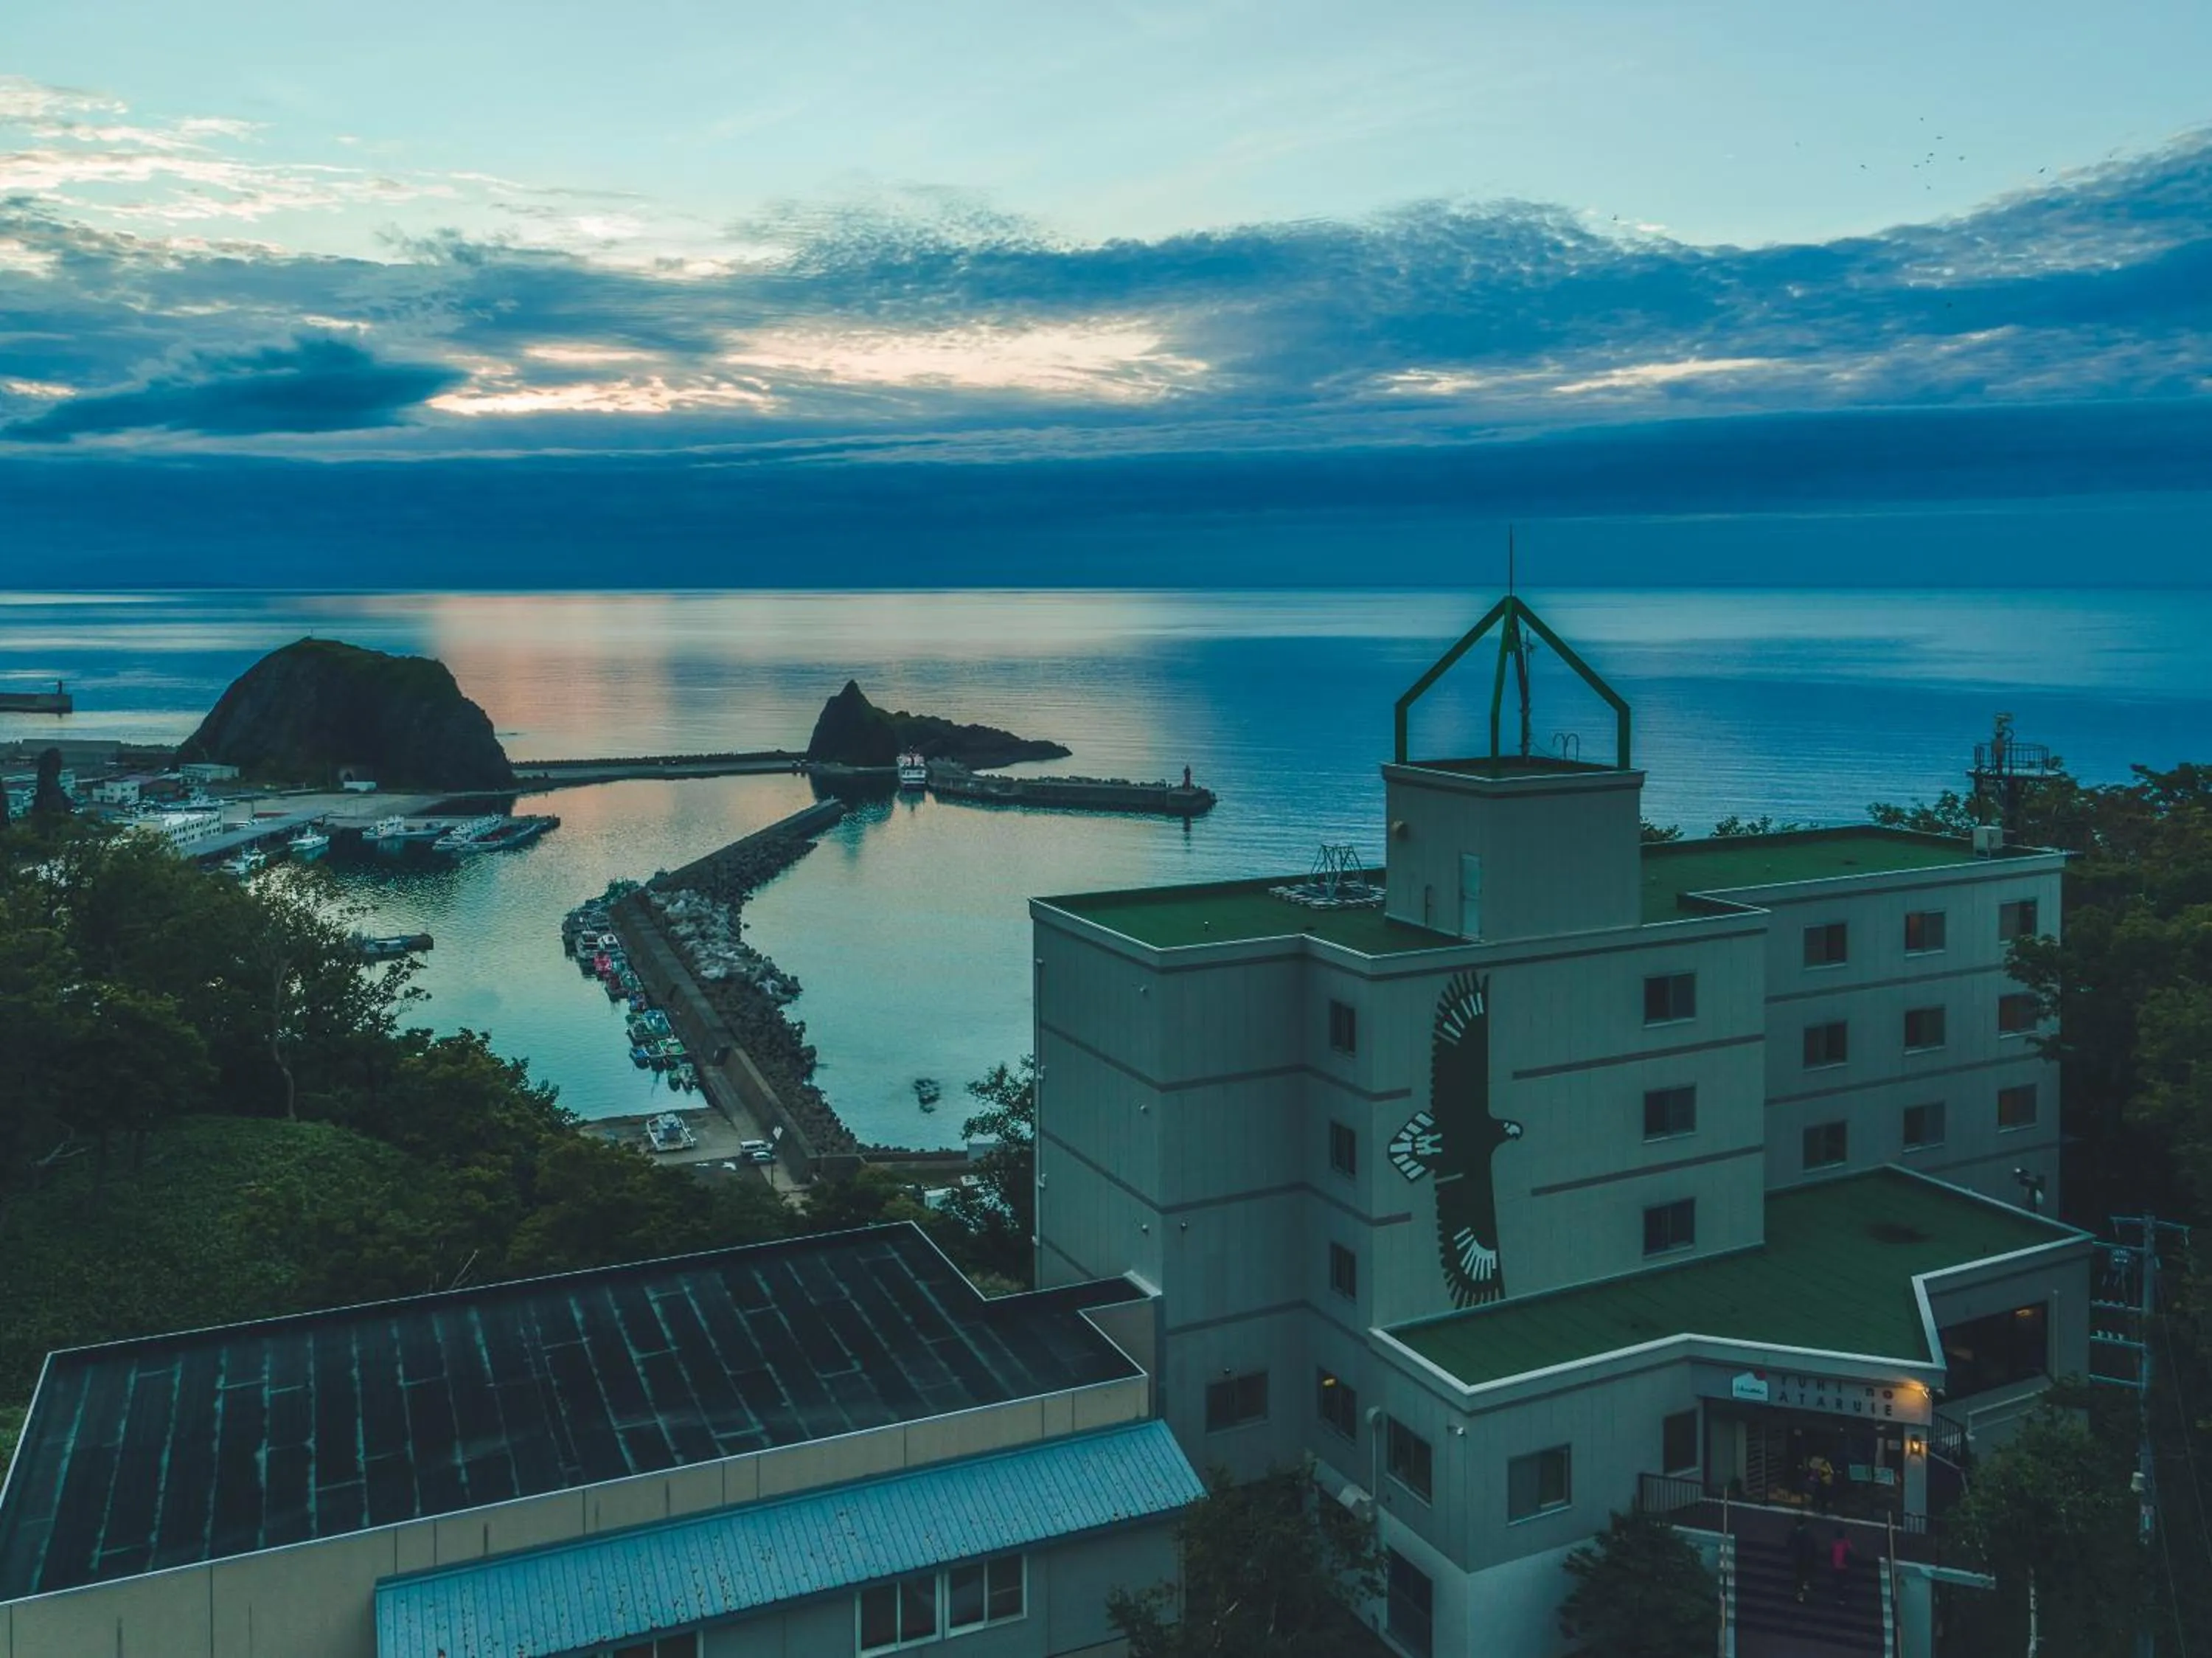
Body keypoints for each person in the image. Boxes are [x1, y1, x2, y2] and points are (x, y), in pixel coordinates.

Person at [1790, 1515, 1817, 1603]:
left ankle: (1800, 1592)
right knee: (1804, 1573)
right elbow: (1812, 1545)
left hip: (1797, 1557)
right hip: (1805, 1557)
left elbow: (1789, 1542)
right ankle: (1804, 1586)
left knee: (1798, 1575)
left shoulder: (1793, 1532)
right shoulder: (1808, 1534)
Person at [1829, 1529, 1854, 1604]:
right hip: (1844, 1566)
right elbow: (1851, 1551)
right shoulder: (1846, 1543)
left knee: (1839, 1584)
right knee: (1844, 1584)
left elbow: (1831, 1553)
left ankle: (1839, 1598)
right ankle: (1844, 1598)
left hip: (1836, 1566)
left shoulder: (1834, 1543)